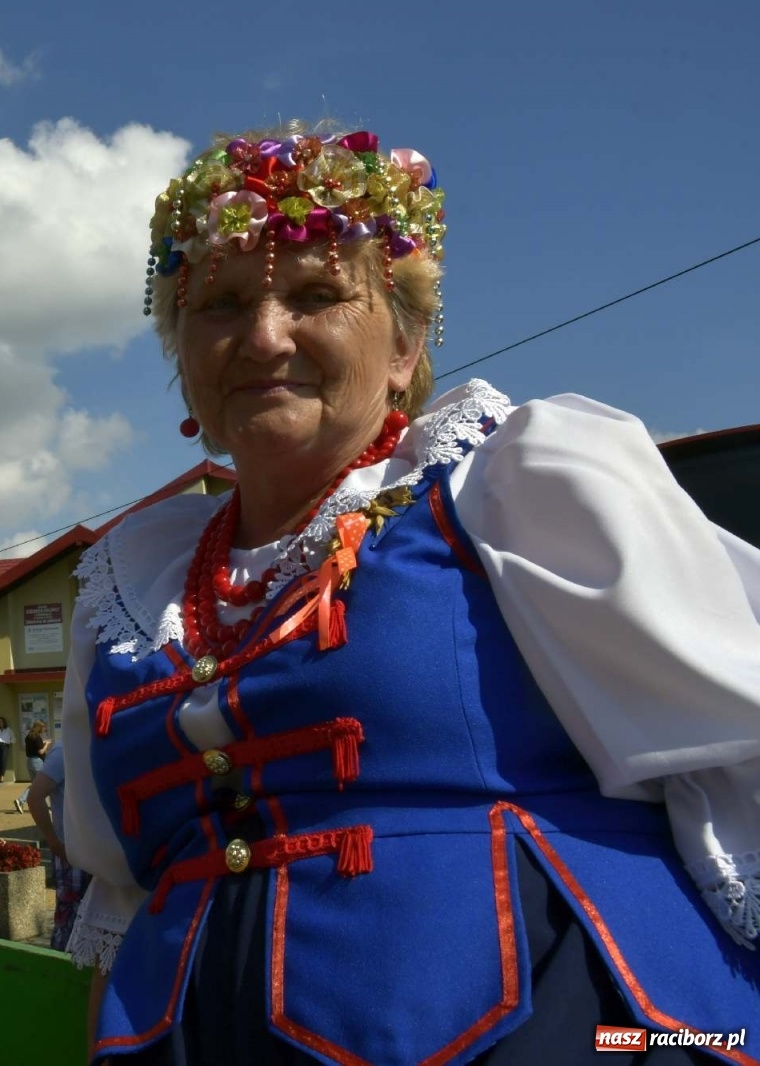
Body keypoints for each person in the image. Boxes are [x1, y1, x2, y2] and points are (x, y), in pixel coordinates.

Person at [62, 121, 760, 1064]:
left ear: (405, 344)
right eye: (219, 305)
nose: (264, 336)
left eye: (316, 295)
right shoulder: (129, 583)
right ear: (181, 352)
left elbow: (739, 738)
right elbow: (120, 884)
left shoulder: (509, 485)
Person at [24, 743, 88, 953]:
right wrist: (54, 841)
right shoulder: (64, 751)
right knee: (71, 920)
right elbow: (34, 797)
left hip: (94, 854)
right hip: (71, 853)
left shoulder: (98, 743)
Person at [13, 721, 50, 812]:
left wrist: (43, 741)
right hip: (37, 762)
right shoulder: (37, 737)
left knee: (36, 785)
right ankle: (21, 800)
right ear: (39, 728)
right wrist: (47, 745)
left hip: (30, 761)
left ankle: (22, 801)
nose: (44, 730)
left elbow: (34, 745)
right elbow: (41, 751)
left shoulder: (29, 737)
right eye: (43, 728)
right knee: (43, 784)